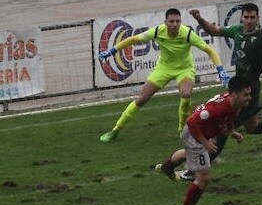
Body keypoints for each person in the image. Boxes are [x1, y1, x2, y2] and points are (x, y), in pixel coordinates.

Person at [185, 2, 262, 163]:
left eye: (253, 17)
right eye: (246, 17)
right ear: (242, 18)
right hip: (238, 86)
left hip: (248, 92)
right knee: (252, 127)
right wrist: (199, 18)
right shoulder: (237, 30)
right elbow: (214, 31)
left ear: (258, 18)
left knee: (225, 125)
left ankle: (207, 157)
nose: (249, 20)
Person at [97, 8, 229, 142]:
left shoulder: (187, 34)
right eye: (171, 21)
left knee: (186, 94)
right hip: (163, 69)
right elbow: (133, 39)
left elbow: (210, 51)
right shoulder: (157, 31)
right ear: (165, 22)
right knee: (142, 99)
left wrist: (220, 69)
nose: (175, 24)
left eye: (177, 21)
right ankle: (115, 130)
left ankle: (182, 130)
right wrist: (112, 51)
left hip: (184, 69)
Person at [155, 75, 252, 205]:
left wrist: (232, 132)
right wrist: (204, 142)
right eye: (246, 95)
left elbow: (229, 119)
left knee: (189, 155)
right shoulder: (218, 108)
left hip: (201, 133)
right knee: (203, 178)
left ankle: (166, 168)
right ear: (234, 95)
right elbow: (192, 121)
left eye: (249, 94)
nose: (249, 98)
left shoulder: (235, 105)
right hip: (194, 134)